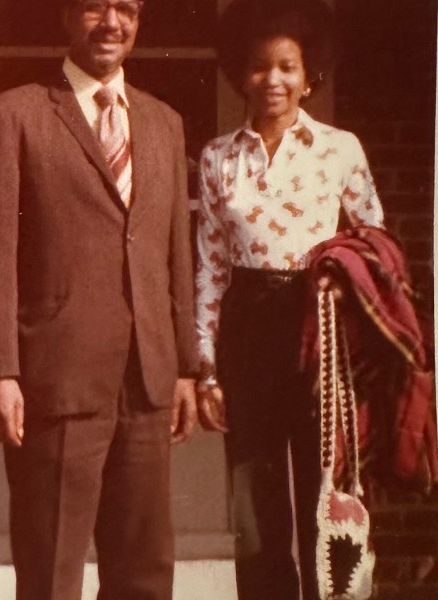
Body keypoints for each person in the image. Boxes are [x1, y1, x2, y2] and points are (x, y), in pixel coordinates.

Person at [0, 1, 198, 598]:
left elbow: (176, 252)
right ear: (68, 16)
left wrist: (184, 367)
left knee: (145, 575)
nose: (112, 23)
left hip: (146, 379)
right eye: (96, 6)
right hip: (57, 380)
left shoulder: (164, 122)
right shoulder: (15, 115)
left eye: (126, 8)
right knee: (52, 574)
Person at [194, 1, 385, 599]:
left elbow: (376, 245)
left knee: (328, 491)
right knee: (255, 498)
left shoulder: (340, 149)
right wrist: (207, 368)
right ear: (240, 74)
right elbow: (211, 265)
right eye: (259, 66)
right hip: (247, 331)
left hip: (319, 329)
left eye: (286, 66)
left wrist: (347, 292)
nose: (272, 80)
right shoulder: (218, 157)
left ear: (308, 74)